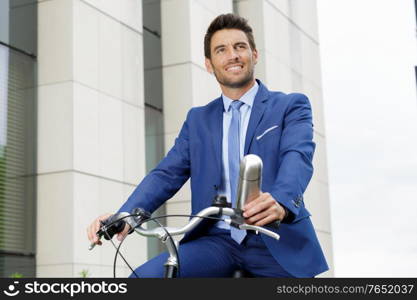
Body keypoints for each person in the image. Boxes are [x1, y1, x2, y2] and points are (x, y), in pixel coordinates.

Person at [87, 13, 328, 278]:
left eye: (240, 47)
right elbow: (167, 173)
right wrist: (125, 216)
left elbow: (297, 156)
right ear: (209, 64)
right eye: (221, 50)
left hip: (275, 238)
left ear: (254, 54)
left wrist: (281, 201)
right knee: (145, 279)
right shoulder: (198, 119)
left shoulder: (290, 105)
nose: (232, 55)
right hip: (215, 241)